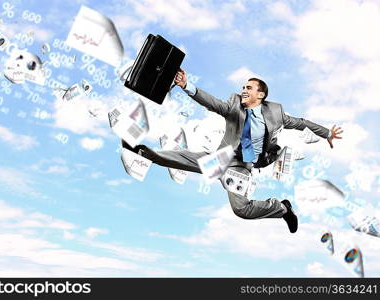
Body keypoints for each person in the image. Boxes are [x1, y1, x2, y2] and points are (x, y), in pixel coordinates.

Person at [122, 68, 343, 233]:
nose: (243, 90)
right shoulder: (234, 104)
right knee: (184, 159)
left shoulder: (277, 113)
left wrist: (326, 133)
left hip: (241, 167)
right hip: (223, 157)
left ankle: (282, 209)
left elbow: (301, 123)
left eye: (249, 88)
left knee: (242, 210)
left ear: (262, 95)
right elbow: (214, 104)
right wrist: (187, 86)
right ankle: (141, 151)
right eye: (243, 87)